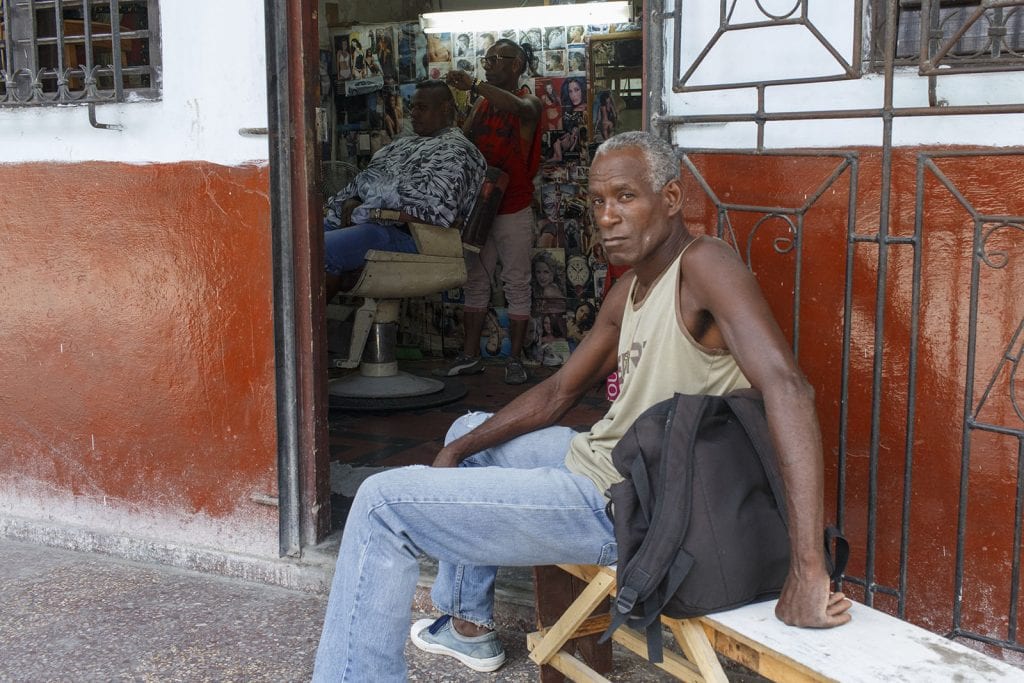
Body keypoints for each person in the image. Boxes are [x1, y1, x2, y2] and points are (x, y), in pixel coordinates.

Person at [311, 131, 851, 682]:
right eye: (598, 201)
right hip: (601, 460)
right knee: (467, 428)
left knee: (382, 503)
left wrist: (809, 570)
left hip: (627, 504)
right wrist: (459, 450)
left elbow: (788, 387)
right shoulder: (631, 289)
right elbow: (556, 394)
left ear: (669, 199)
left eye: (625, 197)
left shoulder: (705, 266)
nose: (607, 216)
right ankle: (468, 626)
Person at [322, 80, 486, 300]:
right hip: (373, 222)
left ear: (446, 108)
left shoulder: (457, 152)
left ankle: (309, 331)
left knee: (323, 249)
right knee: (300, 238)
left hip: (414, 236)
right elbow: (368, 179)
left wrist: (375, 210)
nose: (414, 114)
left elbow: (437, 211)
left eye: (422, 108)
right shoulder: (404, 144)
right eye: (413, 107)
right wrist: (353, 199)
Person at [440, 39, 543, 385]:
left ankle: (514, 359)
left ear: (516, 65)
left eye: (496, 59)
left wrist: (474, 85)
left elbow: (518, 108)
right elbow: (465, 142)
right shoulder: (482, 105)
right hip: (481, 204)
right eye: (486, 59)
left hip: (513, 204)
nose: (488, 65)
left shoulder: (530, 100)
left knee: (517, 282)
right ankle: (470, 355)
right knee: (475, 280)